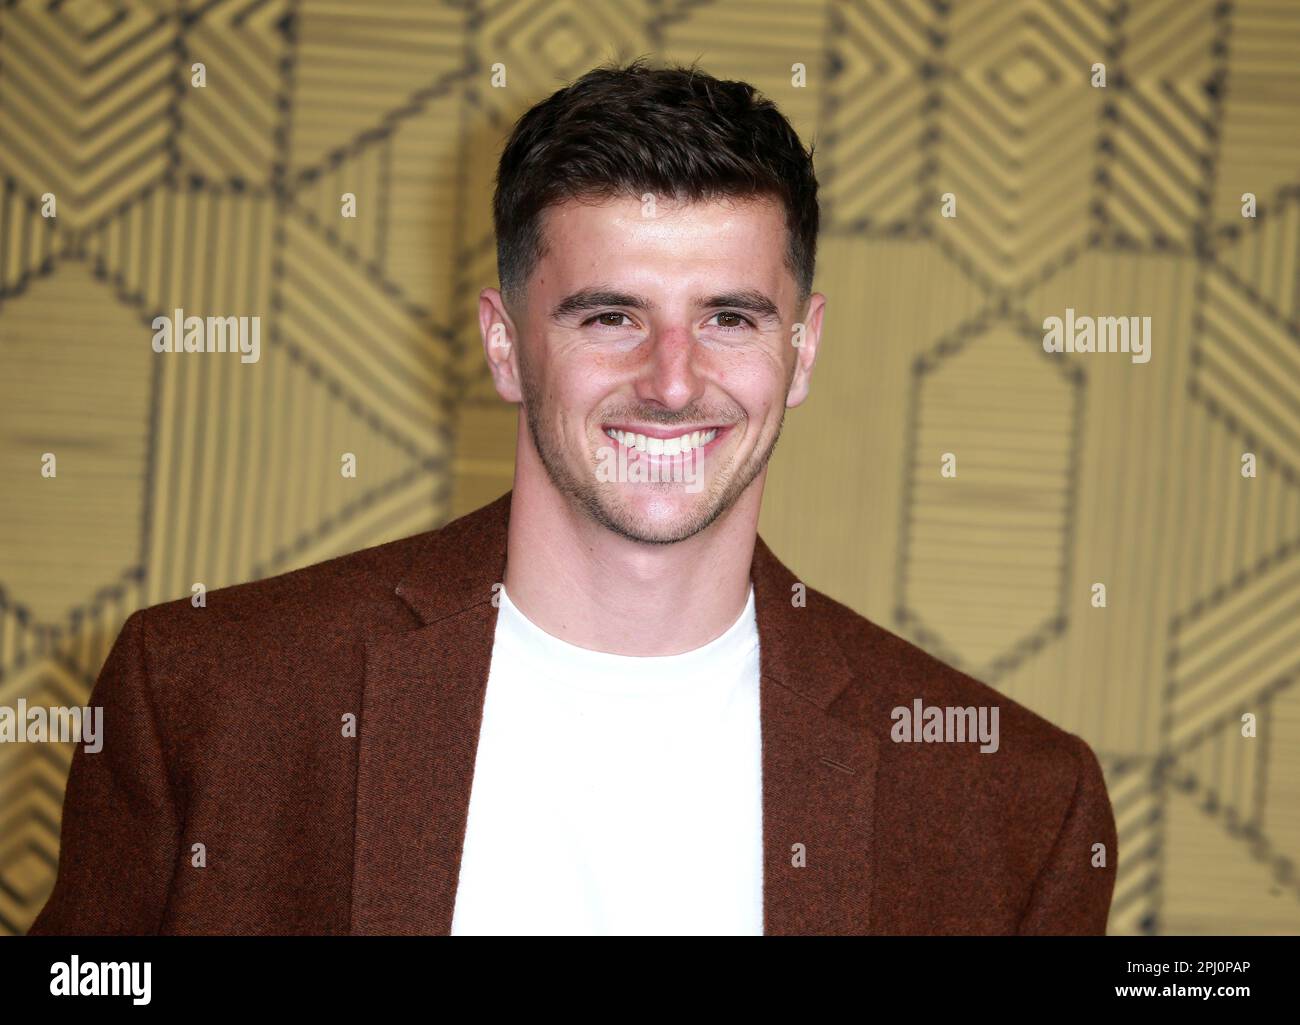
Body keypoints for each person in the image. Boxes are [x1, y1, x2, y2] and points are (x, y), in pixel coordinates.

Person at [29, 57, 1116, 936]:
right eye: (610, 316)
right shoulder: (208, 696)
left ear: (803, 348)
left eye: (730, 317)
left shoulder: (1012, 804)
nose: (674, 378)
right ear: (505, 345)